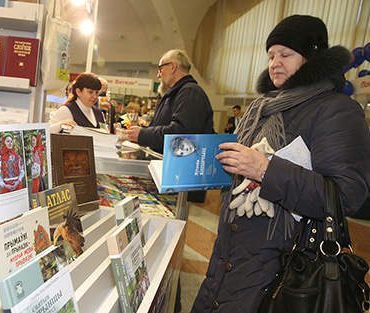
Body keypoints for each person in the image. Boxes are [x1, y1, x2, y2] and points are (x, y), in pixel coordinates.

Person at [191, 15, 370, 313]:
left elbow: (346, 196)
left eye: (286, 54)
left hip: (286, 266)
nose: (275, 62)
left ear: (312, 58)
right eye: (271, 55)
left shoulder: (337, 111)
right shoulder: (261, 107)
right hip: (231, 255)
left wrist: (265, 169)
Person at [126, 49, 213, 153]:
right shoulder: (175, 94)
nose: (158, 75)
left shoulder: (190, 92)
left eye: (160, 69)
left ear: (172, 67)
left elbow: (181, 134)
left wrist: (143, 135)